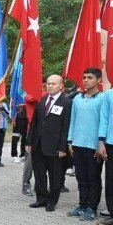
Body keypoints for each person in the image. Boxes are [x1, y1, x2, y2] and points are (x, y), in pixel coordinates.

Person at [27, 75, 72, 212]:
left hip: (55, 146)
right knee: (39, 173)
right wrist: (29, 141)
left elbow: (66, 126)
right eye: (48, 83)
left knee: (55, 175)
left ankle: (52, 201)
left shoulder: (67, 102)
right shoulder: (41, 100)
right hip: (38, 144)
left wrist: (63, 147)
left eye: (53, 83)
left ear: (61, 86)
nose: (50, 86)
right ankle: (41, 199)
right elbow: (34, 122)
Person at [66, 68, 104, 221]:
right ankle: (82, 205)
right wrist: (70, 141)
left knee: (93, 178)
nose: (86, 80)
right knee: (81, 177)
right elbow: (72, 121)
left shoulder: (102, 98)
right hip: (77, 144)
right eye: (84, 77)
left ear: (98, 80)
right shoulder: (77, 99)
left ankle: (91, 208)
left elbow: (103, 122)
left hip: (93, 146)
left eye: (90, 77)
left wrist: (100, 143)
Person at [96, 76, 113, 225]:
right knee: (111, 179)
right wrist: (101, 142)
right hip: (111, 143)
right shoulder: (108, 95)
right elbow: (104, 119)